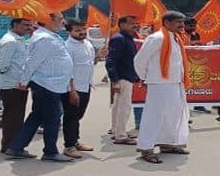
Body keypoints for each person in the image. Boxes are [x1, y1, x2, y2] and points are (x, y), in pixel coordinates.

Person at [4, 13, 75, 162]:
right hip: (46, 85)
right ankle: (50, 151)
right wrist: (24, 81)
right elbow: (32, 62)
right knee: (52, 119)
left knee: (37, 117)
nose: (63, 22)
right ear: (49, 20)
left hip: (51, 84)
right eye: (59, 19)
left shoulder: (51, 36)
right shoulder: (44, 39)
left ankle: (16, 147)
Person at [134, 11, 190, 164]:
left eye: (182, 22)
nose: (182, 25)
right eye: (178, 22)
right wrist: (144, 78)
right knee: (154, 116)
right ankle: (146, 148)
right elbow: (139, 60)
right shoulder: (156, 38)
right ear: (166, 23)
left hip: (175, 83)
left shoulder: (177, 38)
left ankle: (168, 144)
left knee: (173, 115)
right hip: (159, 84)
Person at [61, 19, 102, 158]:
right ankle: (69, 146)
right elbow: (67, 70)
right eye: (77, 30)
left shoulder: (87, 44)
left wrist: (99, 56)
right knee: (71, 116)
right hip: (74, 87)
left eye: (83, 29)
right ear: (69, 32)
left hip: (86, 85)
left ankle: (75, 141)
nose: (82, 33)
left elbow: (90, 63)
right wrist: (72, 90)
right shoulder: (68, 47)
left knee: (78, 116)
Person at [0, 18, 33, 153]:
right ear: (15, 25)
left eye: (30, 25)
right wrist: (14, 77)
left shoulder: (20, 40)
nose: (28, 28)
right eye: (25, 25)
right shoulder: (10, 41)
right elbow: (2, 65)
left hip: (19, 84)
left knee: (16, 117)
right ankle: (10, 146)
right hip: (12, 85)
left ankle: (12, 145)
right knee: (13, 118)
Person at [105, 15, 140, 145]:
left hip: (126, 77)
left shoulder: (128, 38)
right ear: (122, 25)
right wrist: (115, 80)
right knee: (123, 107)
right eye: (132, 23)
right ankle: (120, 135)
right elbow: (110, 61)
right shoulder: (119, 39)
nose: (135, 25)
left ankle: (117, 130)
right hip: (122, 78)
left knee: (118, 106)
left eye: (136, 23)